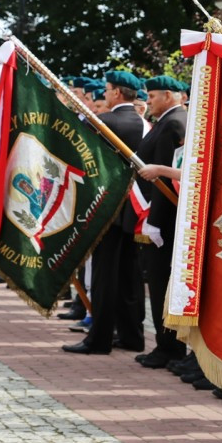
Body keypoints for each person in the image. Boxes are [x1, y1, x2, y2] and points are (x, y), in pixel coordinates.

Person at [61, 70, 145, 355]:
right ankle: (132, 335)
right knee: (128, 275)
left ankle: (99, 338)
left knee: (104, 277)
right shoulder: (144, 124)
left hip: (106, 206)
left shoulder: (103, 122)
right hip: (134, 208)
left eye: (108, 90)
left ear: (117, 93)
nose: (105, 95)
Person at [126, 75, 188, 368]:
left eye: (152, 95)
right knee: (158, 281)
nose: (147, 100)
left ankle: (170, 347)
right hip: (157, 216)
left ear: (170, 95)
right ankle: (165, 345)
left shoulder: (175, 122)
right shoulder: (166, 120)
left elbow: (166, 182)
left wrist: (155, 221)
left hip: (164, 219)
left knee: (163, 283)